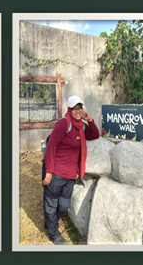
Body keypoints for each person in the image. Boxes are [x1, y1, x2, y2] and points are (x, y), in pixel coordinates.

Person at [42, 95, 100, 245]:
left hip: (69, 175)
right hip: (55, 173)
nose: (78, 111)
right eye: (74, 108)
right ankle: (54, 235)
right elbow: (51, 148)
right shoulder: (63, 125)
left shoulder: (82, 126)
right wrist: (48, 171)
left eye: (80, 107)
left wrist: (90, 120)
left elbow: (94, 135)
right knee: (51, 205)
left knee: (64, 205)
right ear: (69, 109)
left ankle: (50, 223)